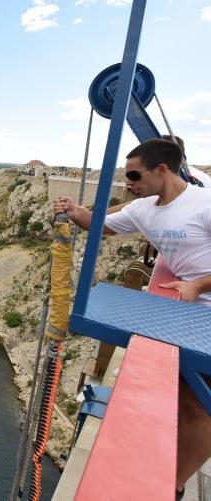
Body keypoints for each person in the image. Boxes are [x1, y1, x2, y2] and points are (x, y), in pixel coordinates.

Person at [54, 138, 211, 497]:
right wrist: (73, 211)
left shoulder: (204, 205)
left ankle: (172, 487)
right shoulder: (145, 209)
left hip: (202, 306)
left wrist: (199, 285)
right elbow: (99, 225)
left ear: (162, 170)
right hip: (188, 312)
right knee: (186, 398)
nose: (129, 183)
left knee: (201, 409)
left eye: (134, 175)